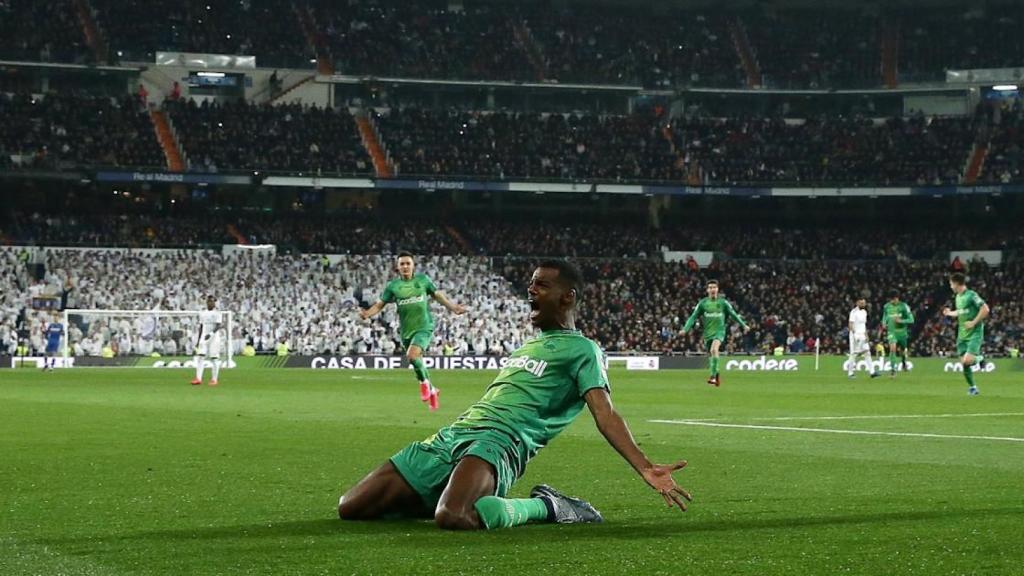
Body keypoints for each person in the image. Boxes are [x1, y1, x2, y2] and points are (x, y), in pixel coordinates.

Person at [338, 260, 691, 530]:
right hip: (455, 434)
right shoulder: (529, 345)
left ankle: (549, 507)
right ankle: (458, 490)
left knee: (454, 516)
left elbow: (605, 413)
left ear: (567, 296)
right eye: (531, 283)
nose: (530, 290)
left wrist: (645, 466)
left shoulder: (583, 350)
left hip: (500, 442)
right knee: (351, 507)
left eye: (542, 285)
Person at [358, 252, 466, 411]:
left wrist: (453, 307)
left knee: (412, 355)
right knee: (416, 362)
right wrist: (367, 313)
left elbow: (437, 295)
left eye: (408, 263)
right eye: (402, 264)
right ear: (397, 267)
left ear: (413, 265)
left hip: (424, 326)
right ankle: (433, 391)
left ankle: (424, 384)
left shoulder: (423, 280)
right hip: (406, 330)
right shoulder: (393, 287)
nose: (405, 266)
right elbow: (380, 304)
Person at [680, 279, 749, 386]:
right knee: (712, 354)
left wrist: (743, 325)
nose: (713, 289)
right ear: (707, 290)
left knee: (714, 349)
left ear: (718, 289)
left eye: (714, 287)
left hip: (719, 332)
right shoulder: (703, 303)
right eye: (710, 287)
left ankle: (712, 377)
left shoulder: (723, 303)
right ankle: (717, 375)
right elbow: (693, 317)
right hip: (708, 333)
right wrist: (685, 329)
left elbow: (734, 314)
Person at [942, 273, 990, 396]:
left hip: (974, 332)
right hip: (962, 334)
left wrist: (974, 322)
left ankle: (980, 358)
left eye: (951, 284)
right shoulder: (958, 297)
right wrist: (950, 313)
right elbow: (961, 312)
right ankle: (973, 387)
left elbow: (985, 309)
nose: (951, 286)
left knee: (967, 361)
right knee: (964, 363)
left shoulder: (971, 295)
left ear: (957, 283)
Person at [191, 295, 224, 386]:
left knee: (214, 358)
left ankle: (214, 379)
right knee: (201, 356)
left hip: (214, 337)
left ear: (214, 303)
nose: (210, 303)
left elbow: (218, 325)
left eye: (212, 301)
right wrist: (199, 340)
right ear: (207, 302)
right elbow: (201, 326)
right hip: (204, 336)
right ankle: (198, 378)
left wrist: (210, 334)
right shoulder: (202, 313)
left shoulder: (217, 313)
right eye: (209, 301)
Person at [881, 290, 914, 377]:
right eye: (890, 300)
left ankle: (903, 363)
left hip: (902, 333)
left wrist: (901, 321)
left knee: (902, 351)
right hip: (892, 332)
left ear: (897, 298)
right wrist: (884, 322)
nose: (892, 301)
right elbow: (884, 316)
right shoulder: (886, 306)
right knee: (892, 349)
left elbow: (911, 320)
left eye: (893, 299)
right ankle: (893, 370)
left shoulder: (904, 306)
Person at [847, 298, 879, 379]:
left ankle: (872, 372)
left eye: (864, 303)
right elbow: (850, 324)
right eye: (861, 303)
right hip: (855, 335)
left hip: (862, 335)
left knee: (867, 352)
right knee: (854, 353)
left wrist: (866, 335)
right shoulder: (854, 312)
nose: (863, 304)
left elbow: (863, 325)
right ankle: (850, 373)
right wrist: (854, 335)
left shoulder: (864, 312)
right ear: (857, 303)